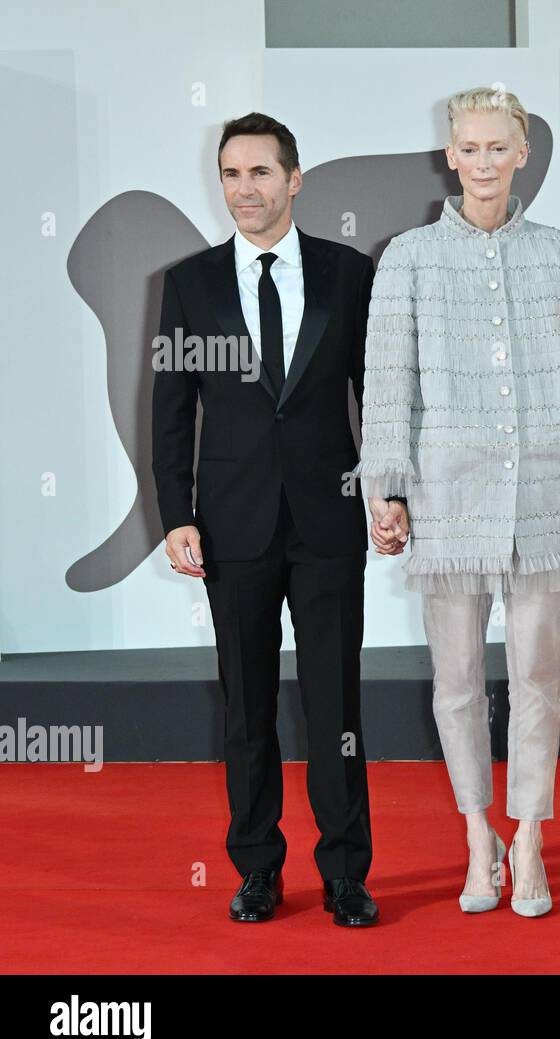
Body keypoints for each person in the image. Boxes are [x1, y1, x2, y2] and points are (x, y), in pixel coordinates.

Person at [354, 88, 560, 918]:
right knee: (455, 682)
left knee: (539, 676)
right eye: (470, 148)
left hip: (539, 496)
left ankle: (528, 838)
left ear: (522, 154)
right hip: (448, 494)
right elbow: (387, 383)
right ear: (449, 155)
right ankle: (477, 836)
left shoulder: (558, 254)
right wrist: (386, 486)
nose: (484, 163)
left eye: (499, 147)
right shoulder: (408, 258)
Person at [152, 113, 379, 926]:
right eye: (231, 174)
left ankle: (346, 872)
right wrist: (175, 512)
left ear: (294, 178)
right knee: (246, 708)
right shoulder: (191, 282)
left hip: (329, 520)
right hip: (232, 523)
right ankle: (257, 868)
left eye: (258, 172)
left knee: (334, 707)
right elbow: (171, 409)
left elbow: (377, 394)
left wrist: (388, 489)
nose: (243, 189)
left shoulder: (349, 273)